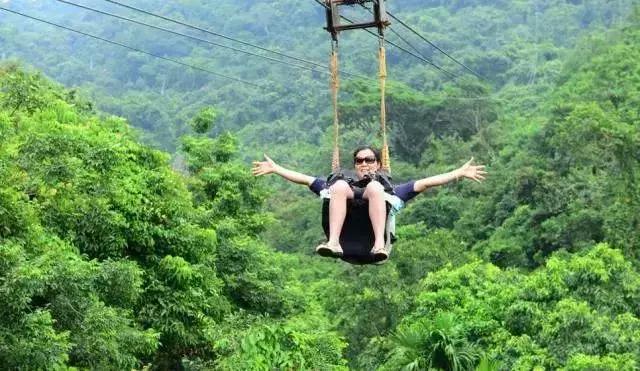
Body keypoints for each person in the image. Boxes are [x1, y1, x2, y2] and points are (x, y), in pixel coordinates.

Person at [251, 145, 486, 260]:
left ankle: (379, 244)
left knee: (374, 188)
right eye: (359, 160)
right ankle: (332, 242)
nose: (363, 164)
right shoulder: (343, 187)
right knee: (339, 186)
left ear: (378, 163)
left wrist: (459, 172)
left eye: (369, 160)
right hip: (345, 242)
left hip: (372, 249)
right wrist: (275, 168)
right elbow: (304, 179)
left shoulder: (390, 191)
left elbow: (426, 183)